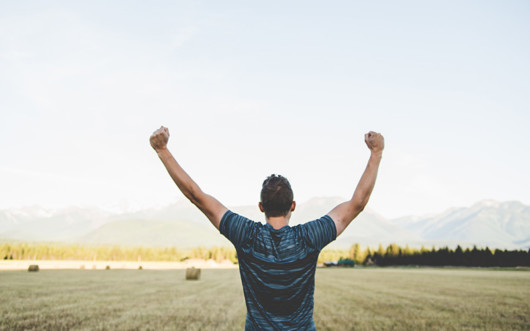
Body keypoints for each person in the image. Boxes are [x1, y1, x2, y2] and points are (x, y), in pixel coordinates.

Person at [150, 126, 384, 330]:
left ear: (261, 206)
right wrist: (376, 153)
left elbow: (196, 196)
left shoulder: (246, 235)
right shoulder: (309, 238)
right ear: (292, 205)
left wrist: (163, 151)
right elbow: (357, 203)